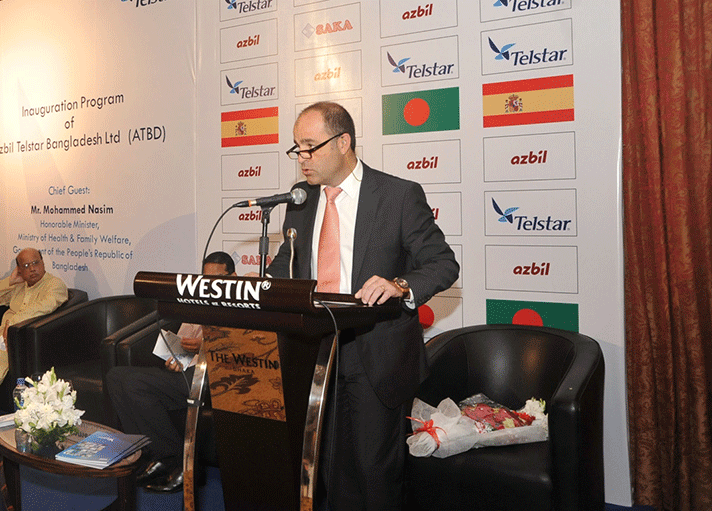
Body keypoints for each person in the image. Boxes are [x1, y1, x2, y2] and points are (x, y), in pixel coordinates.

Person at [267, 102, 459, 510]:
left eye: (309, 147)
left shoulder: (397, 195)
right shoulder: (300, 203)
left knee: (374, 472)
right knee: (326, 467)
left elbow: (443, 263)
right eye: (296, 149)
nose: (301, 158)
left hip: (376, 352)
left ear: (343, 142)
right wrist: (262, 284)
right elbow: (288, 263)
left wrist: (400, 283)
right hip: (316, 350)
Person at [105, 251, 236, 493]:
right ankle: (154, 456)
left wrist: (203, 346)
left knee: (136, 386)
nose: (210, 284)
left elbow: (238, 347)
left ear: (233, 276)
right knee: (116, 377)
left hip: (214, 376)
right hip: (187, 372)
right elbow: (184, 342)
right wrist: (175, 357)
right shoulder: (198, 302)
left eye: (217, 278)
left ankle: (180, 463)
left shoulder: (241, 305)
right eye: (206, 278)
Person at [0, 248, 68, 383]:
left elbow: (44, 306)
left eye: (35, 263)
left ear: (43, 263)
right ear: (19, 269)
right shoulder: (19, 286)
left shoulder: (54, 284)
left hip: (19, 339)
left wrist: (13, 322)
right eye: (26, 266)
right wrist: (11, 281)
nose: (32, 269)